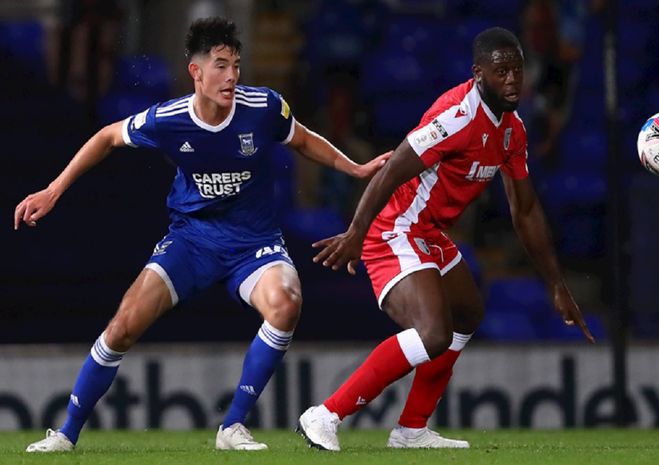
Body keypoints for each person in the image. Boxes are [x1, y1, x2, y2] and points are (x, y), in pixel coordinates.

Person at [15, 16, 388, 453]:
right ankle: (66, 434)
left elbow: (303, 140)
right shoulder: (170, 119)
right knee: (122, 327)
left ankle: (232, 427)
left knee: (286, 303)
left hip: (254, 243)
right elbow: (106, 137)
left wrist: (356, 168)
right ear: (196, 71)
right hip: (192, 240)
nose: (231, 75)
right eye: (221, 65)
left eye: (236, 65)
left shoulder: (264, 107)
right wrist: (54, 189)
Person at [296, 27, 594, 451]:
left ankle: (411, 430)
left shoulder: (512, 131)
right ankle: (324, 415)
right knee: (433, 333)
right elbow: (391, 170)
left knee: (468, 313)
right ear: (478, 74)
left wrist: (557, 286)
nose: (512, 80)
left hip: (428, 233)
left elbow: (525, 211)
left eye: (517, 70)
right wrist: (356, 233)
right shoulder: (456, 117)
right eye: (500, 71)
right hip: (394, 229)